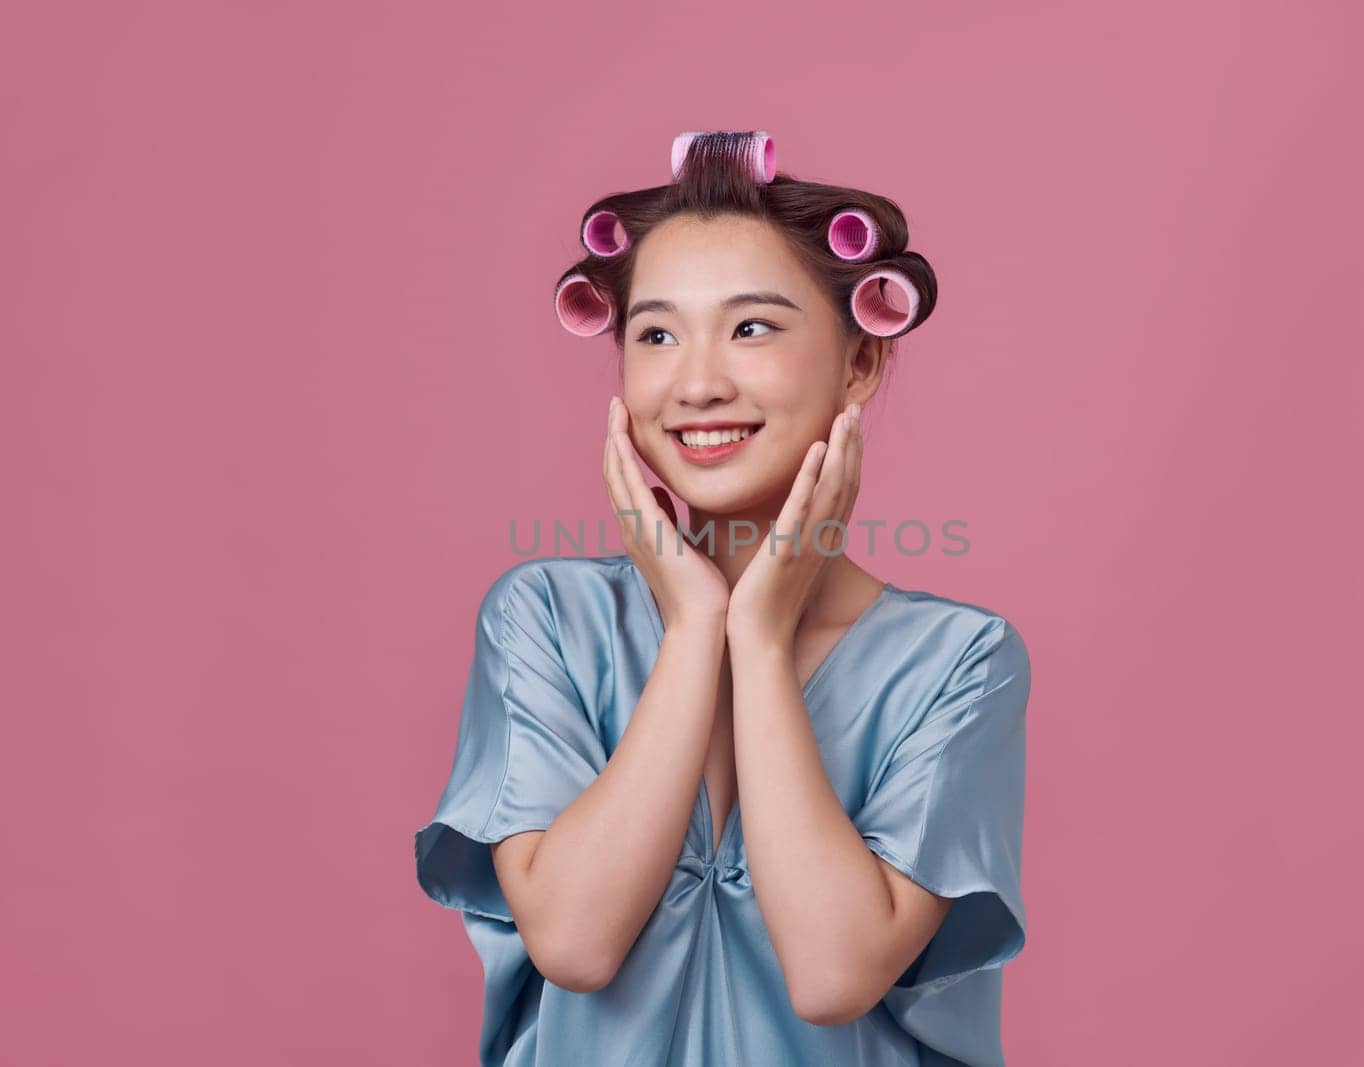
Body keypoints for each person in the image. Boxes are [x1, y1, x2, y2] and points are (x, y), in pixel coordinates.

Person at [414, 131, 1033, 1066]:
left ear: (859, 364)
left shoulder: (959, 660)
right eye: (656, 333)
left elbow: (833, 973)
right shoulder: (543, 618)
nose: (698, 383)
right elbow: (575, 944)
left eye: (752, 327)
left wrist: (761, 635)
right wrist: (696, 626)